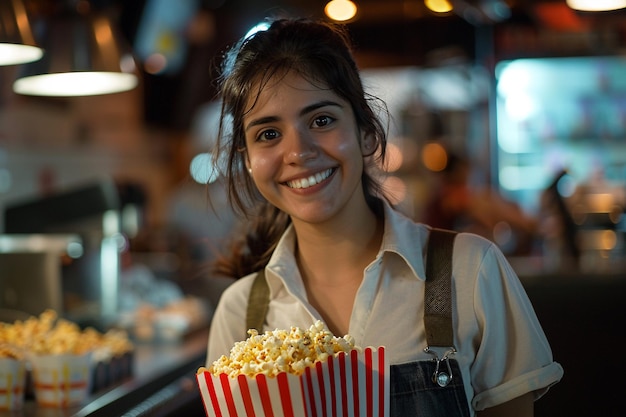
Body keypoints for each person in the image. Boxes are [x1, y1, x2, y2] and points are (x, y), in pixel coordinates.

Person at [205, 18, 563, 417]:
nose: (297, 152)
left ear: (367, 134)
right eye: (268, 134)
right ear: (249, 162)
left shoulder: (470, 271)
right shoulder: (239, 315)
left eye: (321, 120)